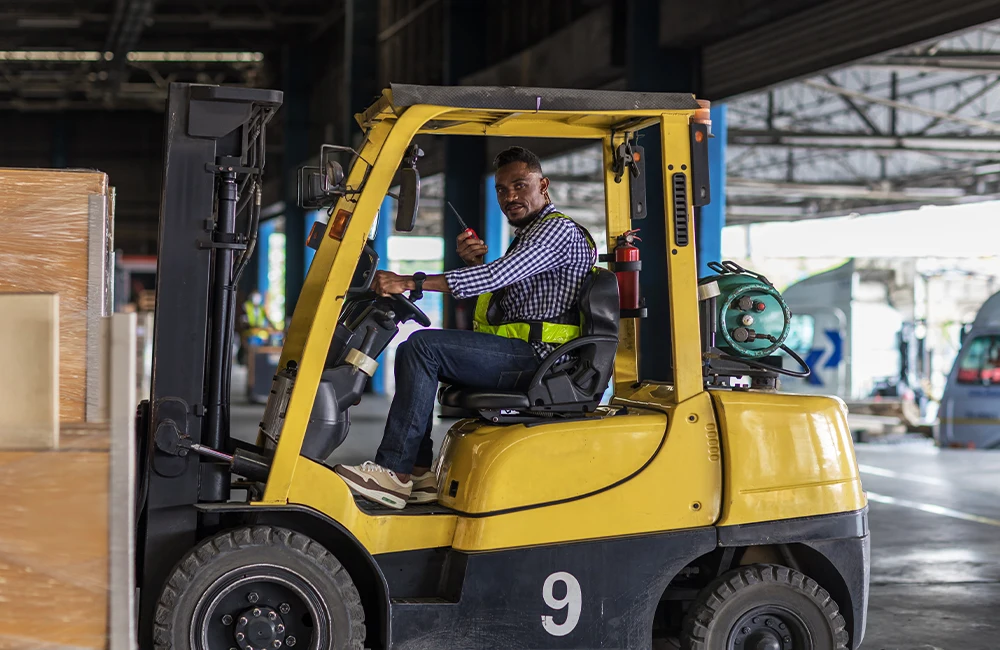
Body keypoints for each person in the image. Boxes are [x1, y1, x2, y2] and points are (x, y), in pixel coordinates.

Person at [334, 146, 597, 509]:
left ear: (544, 184)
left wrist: (409, 281)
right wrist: (477, 263)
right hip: (530, 355)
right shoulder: (531, 235)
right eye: (502, 190)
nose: (510, 197)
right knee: (420, 348)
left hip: (542, 360)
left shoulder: (556, 231)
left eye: (520, 186)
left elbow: (497, 276)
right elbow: (507, 295)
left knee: (423, 347)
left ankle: (395, 471)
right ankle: (419, 472)